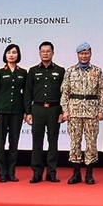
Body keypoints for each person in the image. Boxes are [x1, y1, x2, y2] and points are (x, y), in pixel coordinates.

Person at [60, 42, 103, 185]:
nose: (84, 56)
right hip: (74, 111)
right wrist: (65, 110)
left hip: (91, 112)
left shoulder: (97, 71)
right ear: (77, 55)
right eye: (81, 53)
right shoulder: (70, 71)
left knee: (91, 143)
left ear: (90, 54)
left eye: (86, 53)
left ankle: (89, 173)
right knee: (75, 143)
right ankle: (76, 173)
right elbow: (65, 92)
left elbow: (101, 92)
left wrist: (100, 111)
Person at [24, 41, 65, 183]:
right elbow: (28, 93)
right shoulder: (33, 71)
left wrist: (62, 111)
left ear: (53, 53)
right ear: (39, 53)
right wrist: (28, 112)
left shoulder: (60, 71)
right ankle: (37, 172)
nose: (45, 53)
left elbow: (64, 93)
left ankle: (52, 173)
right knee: (37, 142)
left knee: (53, 142)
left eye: (48, 51)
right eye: (43, 51)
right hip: (38, 109)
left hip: (54, 109)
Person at [0, 44, 27, 183]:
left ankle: (11, 172)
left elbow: (26, 95)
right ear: (5, 55)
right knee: (0, 143)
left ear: (18, 55)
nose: (11, 55)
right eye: (9, 52)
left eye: (14, 52)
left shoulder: (23, 73)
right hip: (1, 112)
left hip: (17, 112)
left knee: (14, 143)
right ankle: (2, 173)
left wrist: (26, 112)